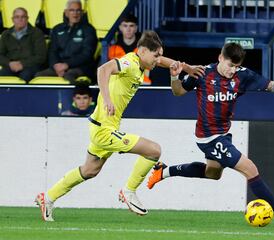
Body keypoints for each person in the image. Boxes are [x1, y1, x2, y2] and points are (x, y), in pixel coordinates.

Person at [35, 30, 204, 221]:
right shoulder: (130, 63)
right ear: (141, 51)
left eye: (159, 55)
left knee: (90, 170)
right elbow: (103, 70)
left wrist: (187, 68)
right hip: (104, 130)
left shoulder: (141, 62)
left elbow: (165, 61)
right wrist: (107, 100)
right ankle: (129, 191)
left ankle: (47, 198)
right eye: (155, 55)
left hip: (103, 126)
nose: (158, 60)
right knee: (154, 151)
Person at [147, 42, 274, 225]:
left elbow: (271, 85)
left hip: (222, 134)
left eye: (236, 66)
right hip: (209, 137)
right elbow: (178, 92)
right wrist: (174, 78)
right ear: (220, 58)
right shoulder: (202, 73)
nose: (233, 70)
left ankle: (164, 171)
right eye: (230, 65)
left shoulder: (243, 75)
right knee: (250, 169)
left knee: (212, 173)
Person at [35, 0, 97, 84]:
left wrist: (67, 65)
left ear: (82, 13)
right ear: (66, 12)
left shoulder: (89, 30)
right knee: (39, 76)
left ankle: (72, 97)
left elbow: (87, 54)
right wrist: (56, 66)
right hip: (58, 66)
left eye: (78, 10)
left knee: (69, 76)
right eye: (72, 10)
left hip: (81, 67)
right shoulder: (57, 29)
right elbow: (52, 51)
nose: (75, 13)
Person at [0, 7, 46, 83]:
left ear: (27, 18)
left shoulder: (37, 33)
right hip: (11, 66)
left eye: (23, 17)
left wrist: (22, 64)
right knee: (2, 75)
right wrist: (9, 63)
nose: (20, 19)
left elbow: (41, 56)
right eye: (17, 17)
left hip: (30, 66)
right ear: (12, 19)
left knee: (25, 76)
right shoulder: (6, 34)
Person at [108, 14, 152, 85]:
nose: (128, 29)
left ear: (136, 28)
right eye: (125, 26)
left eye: (131, 26)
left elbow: (148, 70)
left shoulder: (145, 48)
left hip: (142, 85)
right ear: (120, 28)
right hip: (120, 85)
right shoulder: (113, 49)